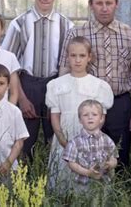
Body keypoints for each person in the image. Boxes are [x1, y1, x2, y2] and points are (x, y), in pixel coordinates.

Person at [59, 0, 131, 167]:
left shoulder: (130, 35)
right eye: (99, 3)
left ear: (116, 4)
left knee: (120, 155)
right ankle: (86, 193)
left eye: (109, 3)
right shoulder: (76, 33)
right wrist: (62, 106)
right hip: (85, 103)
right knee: (85, 154)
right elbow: (64, 71)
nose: (104, 8)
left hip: (120, 103)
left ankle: (119, 193)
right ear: (90, 4)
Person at [2, 0, 74, 158]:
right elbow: (9, 64)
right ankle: (24, 181)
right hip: (27, 85)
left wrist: (58, 99)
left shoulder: (67, 26)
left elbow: (69, 65)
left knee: (56, 138)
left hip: (56, 83)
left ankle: (55, 182)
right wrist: (22, 98)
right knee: (24, 139)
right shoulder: (19, 24)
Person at [45, 36, 113, 192]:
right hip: (65, 136)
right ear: (67, 57)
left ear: (89, 57)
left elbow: (100, 117)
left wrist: (90, 137)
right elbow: (55, 116)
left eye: (82, 56)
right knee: (62, 177)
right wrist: (63, 140)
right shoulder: (56, 84)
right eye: (73, 55)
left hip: (89, 138)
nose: (77, 60)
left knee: (87, 182)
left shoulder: (99, 86)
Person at [63, 99, 118, 192]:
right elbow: (71, 163)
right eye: (85, 115)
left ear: (101, 119)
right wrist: (88, 173)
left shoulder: (107, 140)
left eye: (94, 115)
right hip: (82, 186)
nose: (90, 117)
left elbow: (114, 158)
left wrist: (110, 165)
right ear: (80, 120)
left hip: (103, 184)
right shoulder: (74, 142)